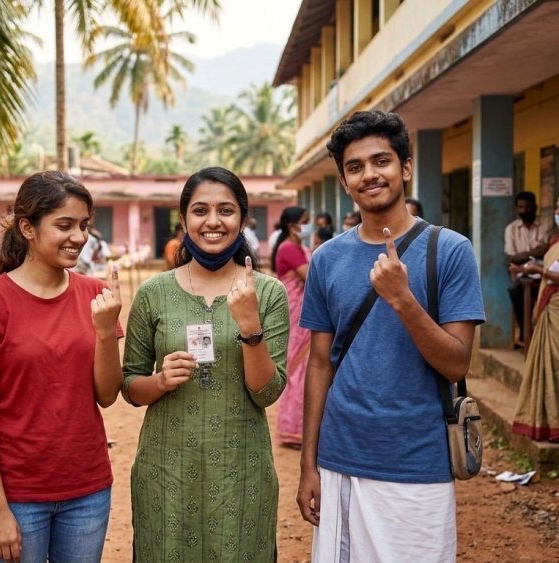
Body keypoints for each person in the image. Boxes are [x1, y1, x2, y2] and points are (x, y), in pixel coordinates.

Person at [297, 110, 485, 561]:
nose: (369, 175)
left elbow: (457, 362)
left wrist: (402, 299)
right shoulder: (327, 259)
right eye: (355, 167)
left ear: (405, 167)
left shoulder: (451, 251)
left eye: (381, 161)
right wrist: (308, 464)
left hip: (417, 461)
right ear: (344, 182)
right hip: (341, 458)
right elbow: (320, 364)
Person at [122, 166, 289, 561]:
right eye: (200, 211)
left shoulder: (267, 293)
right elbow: (129, 386)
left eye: (226, 210)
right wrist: (160, 381)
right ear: (183, 220)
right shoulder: (153, 293)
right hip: (167, 471)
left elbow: (266, 393)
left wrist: (250, 326)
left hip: (241, 471)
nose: (213, 221)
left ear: (243, 219)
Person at [0, 171, 123, 563]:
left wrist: (103, 333)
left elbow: (107, 394)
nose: (78, 237)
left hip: (88, 489)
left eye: (83, 225)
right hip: (16, 495)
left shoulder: (96, 294)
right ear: (27, 228)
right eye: (64, 225)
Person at [512, 195, 559, 442]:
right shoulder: (555, 240)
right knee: (548, 364)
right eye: (558, 206)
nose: (558, 211)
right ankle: (547, 423)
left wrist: (537, 270)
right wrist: (526, 270)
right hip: (549, 306)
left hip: (556, 307)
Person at [271, 206, 311, 448]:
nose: (309, 226)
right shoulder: (289, 249)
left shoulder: (296, 247)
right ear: (292, 225)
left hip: (302, 310)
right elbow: (310, 276)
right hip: (297, 313)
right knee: (297, 369)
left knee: (303, 368)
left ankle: (299, 427)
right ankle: (292, 428)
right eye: (305, 222)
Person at [506, 191, 551, 343]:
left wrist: (524, 256)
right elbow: (512, 258)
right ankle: (527, 333)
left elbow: (547, 250)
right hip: (521, 275)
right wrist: (536, 252)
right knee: (515, 290)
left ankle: (543, 334)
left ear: (535, 207)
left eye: (528, 207)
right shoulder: (511, 229)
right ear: (516, 208)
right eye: (521, 207)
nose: (524, 211)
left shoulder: (547, 225)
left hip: (546, 273)